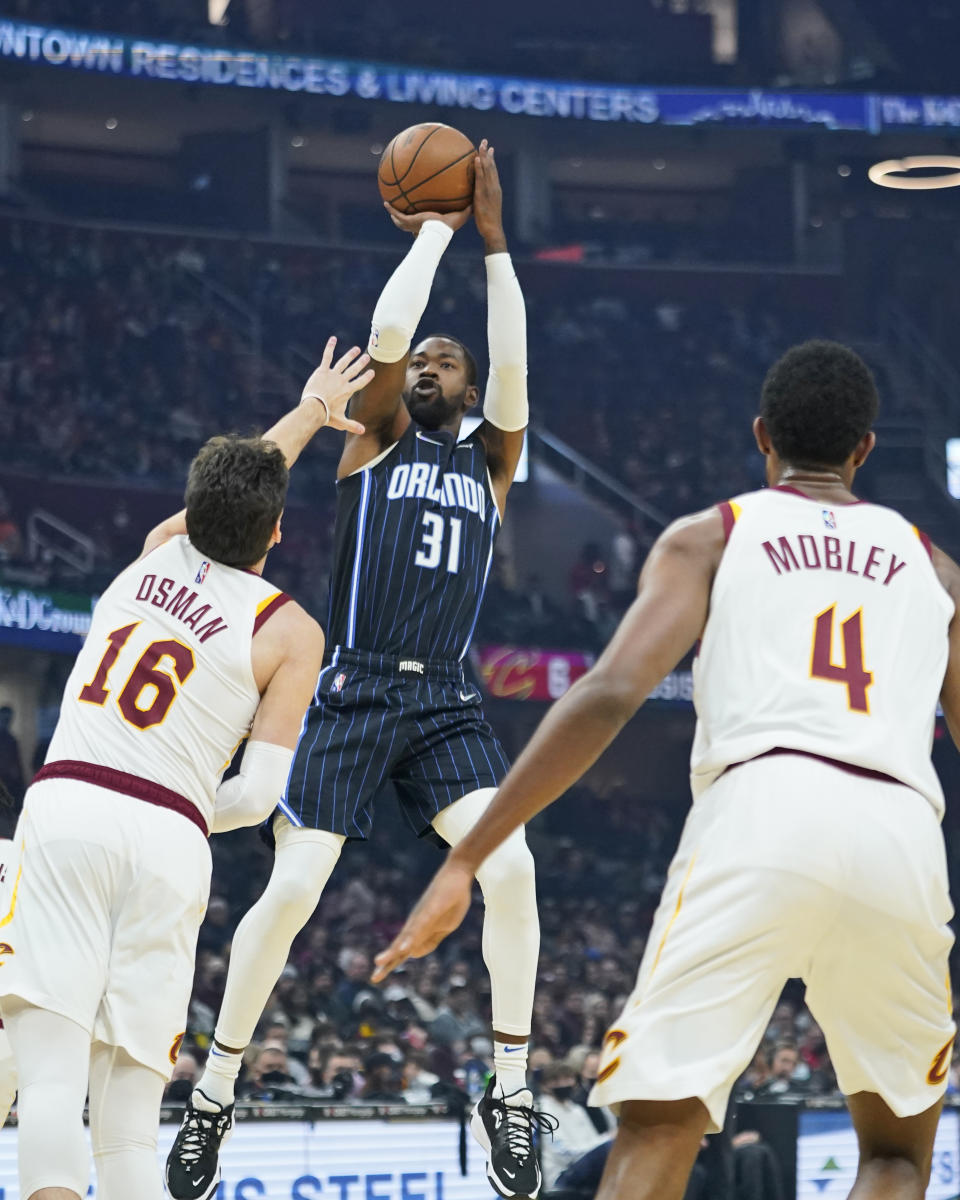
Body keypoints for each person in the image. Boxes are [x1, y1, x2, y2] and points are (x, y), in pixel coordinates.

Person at [375, 339, 960, 1200]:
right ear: (865, 449)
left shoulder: (715, 534)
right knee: (896, 1152)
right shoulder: (935, 565)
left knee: (660, 1123)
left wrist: (469, 855)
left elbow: (610, 692)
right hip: (904, 831)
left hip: (763, 805)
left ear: (763, 438)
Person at [168, 141, 549, 1200]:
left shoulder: (493, 458)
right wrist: (433, 230)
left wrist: (496, 242)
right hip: (356, 683)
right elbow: (385, 334)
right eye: (419, 362)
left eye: (445, 363)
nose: (426, 366)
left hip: (445, 700)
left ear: (471, 391)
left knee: (512, 872)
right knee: (292, 888)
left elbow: (517, 368)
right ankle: (215, 1099)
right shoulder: (373, 437)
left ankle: (510, 1088)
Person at [0, 339, 374, 1200]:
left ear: (193, 508)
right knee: (130, 1126)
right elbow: (256, 795)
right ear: (278, 532)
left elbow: (233, 488)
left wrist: (311, 410)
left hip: (67, 813)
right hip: (174, 838)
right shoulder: (293, 631)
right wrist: (174, 806)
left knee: (50, 1082)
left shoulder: (155, 550)